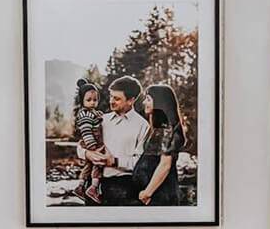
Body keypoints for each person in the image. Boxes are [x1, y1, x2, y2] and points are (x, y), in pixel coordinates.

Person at [78, 75, 149, 205]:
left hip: (122, 189)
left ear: (131, 100)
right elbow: (80, 145)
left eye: (116, 98)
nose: (111, 101)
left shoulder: (142, 126)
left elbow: (141, 164)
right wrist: (87, 154)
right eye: (111, 96)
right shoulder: (101, 119)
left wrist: (113, 161)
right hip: (92, 185)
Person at [133, 83, 186, 207]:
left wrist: (147, 192)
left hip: (159, 196)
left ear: (160, 102)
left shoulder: (168, 131)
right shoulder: (157, 130)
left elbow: (164, 165)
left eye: (148, 99)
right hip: (151, 196)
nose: (144, 102)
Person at [72, 81, 105, 204]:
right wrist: (93, 148)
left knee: (88, 166)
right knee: (98, 163)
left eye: (95, 100)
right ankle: (94, 188)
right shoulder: (84, 114)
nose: (93, 102)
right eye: (89, 100)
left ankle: (80, 186)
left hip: (91, 143)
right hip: (92, 143)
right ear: (82, 101)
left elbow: (96, 119)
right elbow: (86, 132)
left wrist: (99, 116)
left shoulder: (91, 112)